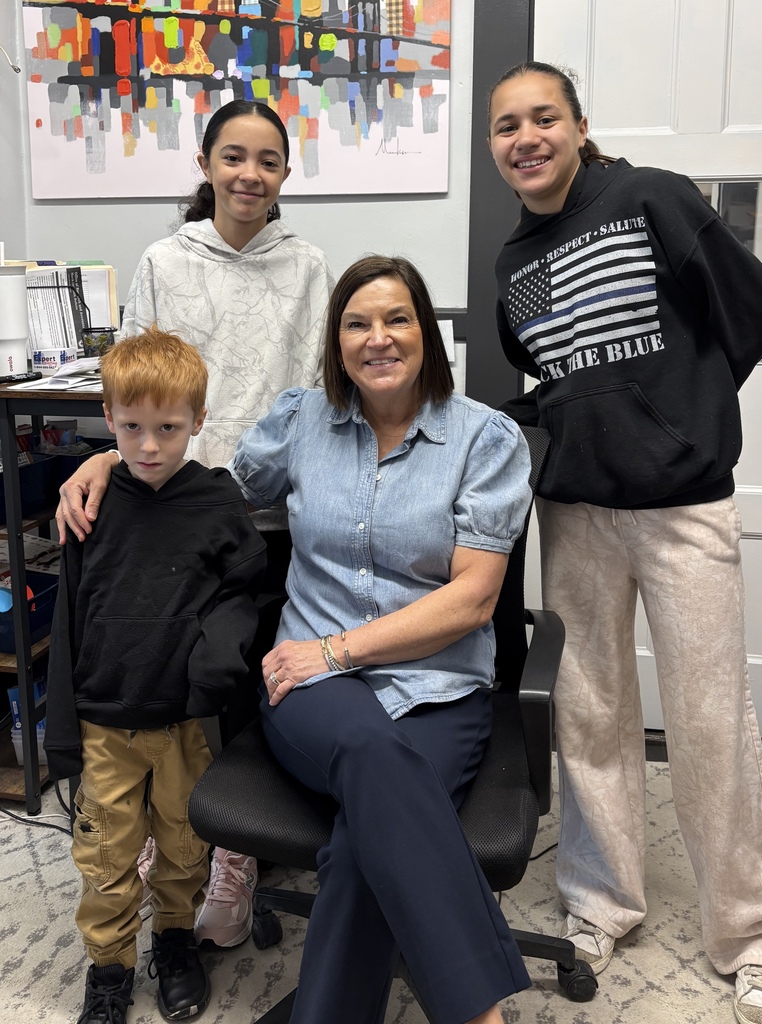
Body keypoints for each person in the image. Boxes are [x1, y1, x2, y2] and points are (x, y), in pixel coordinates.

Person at [61, 254, 534, 1024]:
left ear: (427, 333)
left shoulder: (486, 438)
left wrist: (341, 650)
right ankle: (478, 1008)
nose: (376, 338)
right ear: (336, 341)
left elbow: (474, 600)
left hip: (437, 684)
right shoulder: (300, 420)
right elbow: (198, 485)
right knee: (375, 756)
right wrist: (115, 453)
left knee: (358, 847)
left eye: (396, 318)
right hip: (308, 685)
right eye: (356, 323)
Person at [487, 61, 762, 1024]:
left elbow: (747, 308)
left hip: (682, 504)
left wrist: (687, 413)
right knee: (588, 715)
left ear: (580, 124)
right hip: (575, 510)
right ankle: (600, 900)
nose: (526, 138)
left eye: (543, 117)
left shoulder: (652, 197)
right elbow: (549, 373)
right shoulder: (511, 263)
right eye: (506, 127)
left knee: (709, 717)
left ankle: (751, 934)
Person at [60, 98, 335, 949]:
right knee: (183, 680)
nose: (249, 174)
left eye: (267, 160)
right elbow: (138, 387)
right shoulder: (164, 260)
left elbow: (327, 391)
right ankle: (174, 834)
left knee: (254, 673)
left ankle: (237, 853)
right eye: (233, 157)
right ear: (206, 165)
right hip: (178, 504)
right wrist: (106, 455)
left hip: (279, 510)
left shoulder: (311, 265)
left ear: (285, 175)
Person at [44, 329, 267, 1024]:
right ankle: (108, 970)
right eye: (132, 428)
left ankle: (175, 940)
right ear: (109, 421)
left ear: (197, 422)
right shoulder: (91, 501)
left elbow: (246, 592)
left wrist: (217, 662)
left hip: (183, 723)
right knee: (107, 859)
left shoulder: (218, 503)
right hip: (104, 717)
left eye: (167, 429)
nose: (148, 446)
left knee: (182, 847)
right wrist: (62, 729)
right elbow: (70, 615)